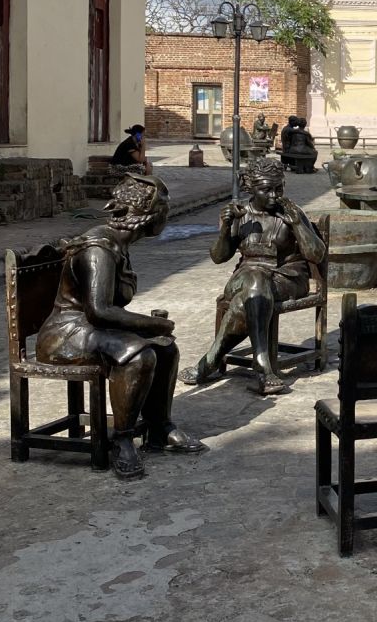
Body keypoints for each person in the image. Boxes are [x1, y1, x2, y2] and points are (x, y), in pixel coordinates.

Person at [36, 175, 206, 479]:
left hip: (90, 328)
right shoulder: (99, 248)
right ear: (149, 215)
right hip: (66, 333)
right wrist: (153, 322)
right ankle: (123, 440)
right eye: (165, 209)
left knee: (166, 347)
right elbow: (100, 311)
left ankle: (159, 427)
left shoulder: (118, 244)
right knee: (138, 355)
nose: (167, 216)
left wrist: (156, 329)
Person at [181, 154, 326, 395]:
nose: (274, 196)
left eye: (279, 188)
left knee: (245, 298)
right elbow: (219, 257)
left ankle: (211, 361)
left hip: (286, 278)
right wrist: (226, 228)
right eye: (267, 190)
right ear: (251, 187)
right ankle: (263, 369)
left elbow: (317, 255)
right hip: (245, 277)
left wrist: (298, 224)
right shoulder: (240, 214)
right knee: (255, 281)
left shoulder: (291, 211)